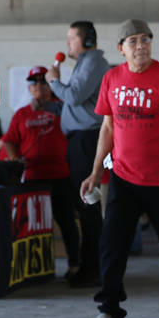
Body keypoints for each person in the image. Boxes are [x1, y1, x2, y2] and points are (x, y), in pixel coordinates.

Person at [80, 19, 159, 318]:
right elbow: (107, 128)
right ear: (121, 49)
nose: (141, 46)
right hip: (122, 176)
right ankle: (109, 308)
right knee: (112, 243)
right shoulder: (111, 78)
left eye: (145, 39)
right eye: (133, 41)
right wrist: (96, 172)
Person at [45, 20, 110, 287]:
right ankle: (90, 265)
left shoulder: (93, 62)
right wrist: (48, 105)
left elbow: (73, 96)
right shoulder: (84, 64)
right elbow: (77, 107)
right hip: (79, 139)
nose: (68, 44)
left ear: (86, 40)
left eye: (72, 38)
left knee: (88, 207)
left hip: (86, 140)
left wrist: (54, 81)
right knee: (84, 206)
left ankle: (92, 268)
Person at [1, 66, 79, 271]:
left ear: (50, 85)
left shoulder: (62, 108)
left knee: (67, 222)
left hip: (61, 175)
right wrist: (15, 158)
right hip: (33, 178)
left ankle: (74, 264)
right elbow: (9, 140)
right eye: (34, 82)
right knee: (33, 224)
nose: (39, 86)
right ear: (29, 88)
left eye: (43, 81)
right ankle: (36, 267)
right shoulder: (22, 114)